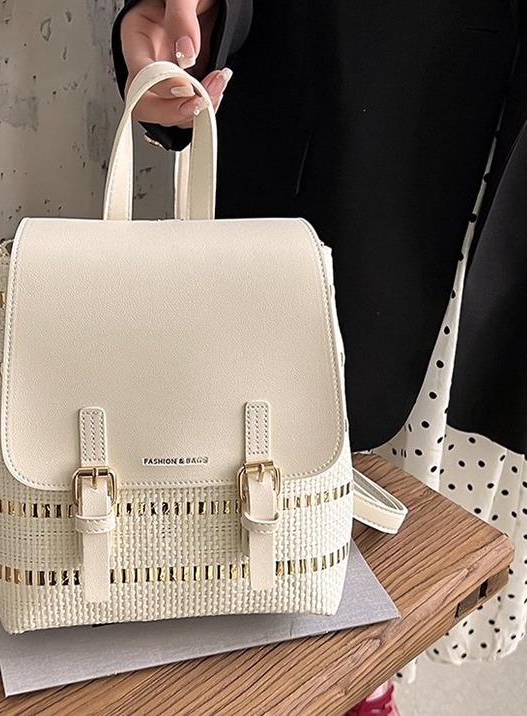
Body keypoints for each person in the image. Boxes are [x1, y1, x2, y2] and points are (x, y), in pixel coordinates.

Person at [112, 2, 527, 714]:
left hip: (505, 225)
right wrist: (197, 32)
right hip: (340, 183)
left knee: (412, 564)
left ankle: (368, 688)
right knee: (258, 523)